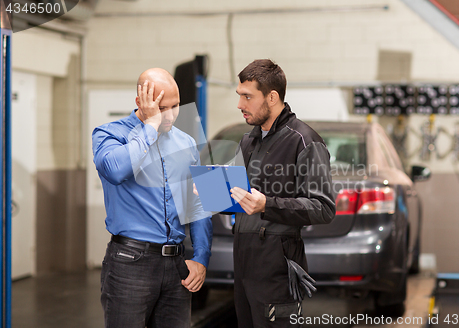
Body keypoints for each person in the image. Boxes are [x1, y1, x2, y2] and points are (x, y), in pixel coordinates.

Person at [92, 68, 212, 328]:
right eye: (161, 107)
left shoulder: (186, 142)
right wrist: (149, 128)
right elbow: (115, 171)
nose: (169, 115)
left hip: (177, 265)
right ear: (141, 102)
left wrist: (201, 257)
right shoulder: (109, 134)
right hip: (130, 264)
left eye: (175, 106)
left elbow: (199, 203)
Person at [230, 59, 336, 327]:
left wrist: (267, 204)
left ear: (272, 97)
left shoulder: (304, 141)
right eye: (239, 96)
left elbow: (323, 208)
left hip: (277, 269)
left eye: (247, 97)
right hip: (243, 265)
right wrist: (211, 192)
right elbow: (241, 198)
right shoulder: (248, 141)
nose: (240, 105)